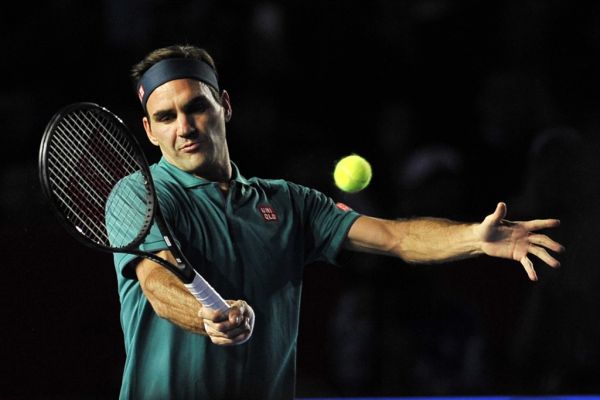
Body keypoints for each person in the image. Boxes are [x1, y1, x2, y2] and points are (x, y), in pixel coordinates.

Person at [110, 44, 564, 400]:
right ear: (150, 131)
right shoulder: (139, 193)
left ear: (224, 105)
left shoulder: (289, 202)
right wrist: (206, 316)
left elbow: (395, 237)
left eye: (196, 107)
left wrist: (472, 237)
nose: (184, 127)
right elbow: (157, 282)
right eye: (165, 117)